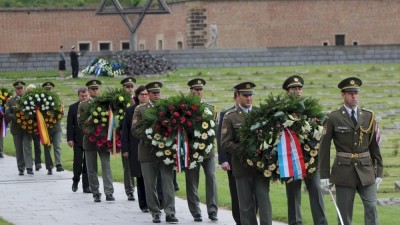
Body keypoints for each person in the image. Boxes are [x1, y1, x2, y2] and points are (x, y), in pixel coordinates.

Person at [319, 77, 383, 225]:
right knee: (344, 213)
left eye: (356, 92)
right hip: (344, 172)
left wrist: (379, 170)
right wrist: (324, 175)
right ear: (343, 95)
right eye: (350, 93)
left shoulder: (368, 116)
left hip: (366, 171)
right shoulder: (333, 117)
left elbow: (374, 146)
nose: (354, 96)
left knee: (371, 207)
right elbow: (324, 148)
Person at [221, 82, 272, 225]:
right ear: (237, 96)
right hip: (242, 166)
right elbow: (225, 142)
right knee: (246, 205)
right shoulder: (230, 117)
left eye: (250, 95)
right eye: (245, 95)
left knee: (264, 201)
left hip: (261, 166)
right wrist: (245, 150)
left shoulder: (261, 114)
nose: (249, 98)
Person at [282, 75, 327, 225]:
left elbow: (320, 129)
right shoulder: (281, 111)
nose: (298, 91)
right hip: (291, 158)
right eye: (294, 88)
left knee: (316, 191)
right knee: (293, 194)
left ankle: (321, 223)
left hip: (310, 157)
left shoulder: (310, 108)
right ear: (288, 91)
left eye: (300, 88)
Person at [132, 82, 178, 223]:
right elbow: (134, 130)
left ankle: (170, 212)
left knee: (168, 183)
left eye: (158, 92)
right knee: (150, 184)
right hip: (148, 151)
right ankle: (155, 212)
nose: (157, 95)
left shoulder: (168, 108)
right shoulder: (140, 110)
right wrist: (150, 135)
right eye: (154, 93)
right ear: (149, 94)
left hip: (166, 152)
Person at [122, 85, 164, 213]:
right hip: (136, 146)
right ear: (137, 96)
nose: (144, 96)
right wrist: (125, 148)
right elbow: (126, 130)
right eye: (142, 94)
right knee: (140, 175)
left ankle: (159, 200)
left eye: (146, 94)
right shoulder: (132, 110)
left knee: (156, 176)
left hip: (154, 145)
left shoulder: (155, 108)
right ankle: (143, 203)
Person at [185, 78, 218, 222]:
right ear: (191, 90)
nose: (198, 92)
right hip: (191, 150)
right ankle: (195, 211)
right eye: (196, 89)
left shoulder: (209, 108)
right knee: (192, 181)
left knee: (211, 176)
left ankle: (212, 210)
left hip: (208, 150)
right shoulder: (184, 108)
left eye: (200, 89)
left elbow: (214, 130)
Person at [78, 79, 115, 202]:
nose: (95, 90)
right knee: (91, 168)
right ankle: (95, 192)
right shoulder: (83, 105)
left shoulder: (105, 103)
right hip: (90, 140)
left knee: (106, 166)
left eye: (96, 88)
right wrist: (90, 132)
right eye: (92, 89)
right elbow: (81, 123)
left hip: (104, 140)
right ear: (88, 90)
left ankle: (109, 192)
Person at [217, 91, 241, 225]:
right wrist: (223, 160)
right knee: (235, 191)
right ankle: (238, 219)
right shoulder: (226, 114)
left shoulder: (254, 112)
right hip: (232, 159)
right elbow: (221, 139)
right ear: (235, 98)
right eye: (240, 96)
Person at [5, 81, 33, 175]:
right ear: (15, 90)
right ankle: (21, 167)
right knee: (19, 148)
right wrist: (17, 118)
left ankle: (29, 167)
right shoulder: (10, 101)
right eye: (18, 89)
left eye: (21, 88)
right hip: (16, 128)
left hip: (27, 127)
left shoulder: (28, 99)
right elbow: (7, 114)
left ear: (24, 89)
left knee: (27, 147)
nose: (20, 90)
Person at [67, 87, 91, 193]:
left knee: (87, 164)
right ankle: (75, 180)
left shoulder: (92, 106)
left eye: (86, 95)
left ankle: (86, 186)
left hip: (89, 140)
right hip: (77, 140)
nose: (84, 97)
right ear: (78, 96)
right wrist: (70, 139)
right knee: (77, 163)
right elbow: (69, 125)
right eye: (82, 96)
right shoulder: (73, 107)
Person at [42, 82, 64, 175]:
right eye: (47, 89)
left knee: (57, 145)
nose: (48, 91)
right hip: (45, 128)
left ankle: (58, 164)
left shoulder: (57, 100)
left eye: (50, 89)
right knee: (47, 147)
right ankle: (49, 166)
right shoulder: (40, 101)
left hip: (56, 127)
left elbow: (61, 113)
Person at [120, 77, 137, 201]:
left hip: (138, 137)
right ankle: (130, 190)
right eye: (127, 86)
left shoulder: (138, 100)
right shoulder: (118, 101)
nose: (130, 89)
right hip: (125, 136)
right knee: (128, 165)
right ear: (123, 88)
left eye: (131, 86)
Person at [25, 84, 42, 171]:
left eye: (33, 91)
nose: (31, 93)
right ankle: (29, 164)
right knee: (28, 146)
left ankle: (38, 162)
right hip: (26, 127)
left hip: (36, 127)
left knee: (37, 145)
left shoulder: (38, 101)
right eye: (29, 91)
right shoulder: (24, 101)